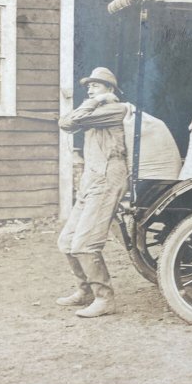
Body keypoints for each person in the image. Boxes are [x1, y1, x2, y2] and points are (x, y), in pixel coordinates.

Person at [56, 67, 128, 318]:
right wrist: (94, 101)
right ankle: (85, 291)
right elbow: (68, 123)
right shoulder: (97, 110)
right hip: (92, 178)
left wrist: (95, 101)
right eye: (89, 86)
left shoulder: (115, 110)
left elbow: (67, 122)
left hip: (108, 177)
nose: (90, 89)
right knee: (66, 241)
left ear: (110, 90)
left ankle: (104, 298)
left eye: (96, 86)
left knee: (85, 244)